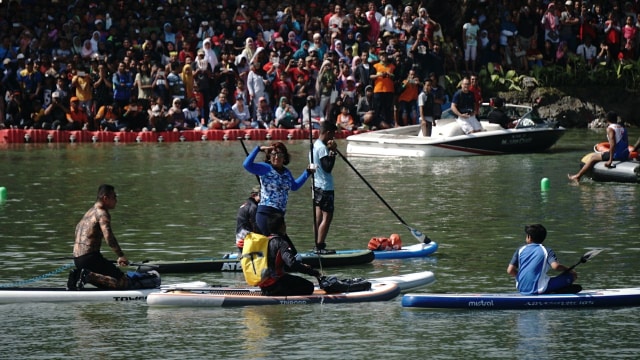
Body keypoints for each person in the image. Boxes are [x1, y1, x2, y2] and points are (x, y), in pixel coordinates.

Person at [243, 141, 313, 236]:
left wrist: (307, 172)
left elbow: (294, 186)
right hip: (266, 212)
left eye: (280, 154)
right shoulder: (265, 168)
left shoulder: (286, 172)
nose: (276, 157)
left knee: (279, 243)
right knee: (269, 242)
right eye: (273, 154)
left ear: (284, 157)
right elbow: (247, 165)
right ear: (269, 156)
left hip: (279, 214)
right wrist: (258, 149)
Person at [71, 184, 130, 290]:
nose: (116, 200)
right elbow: (109, 237)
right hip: (91, 258)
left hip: (78, 259)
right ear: (105, 198)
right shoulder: (102, 213)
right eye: (114, 197)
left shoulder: (89, 212)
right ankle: (88, 276)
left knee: (109, 282)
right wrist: (121, 256)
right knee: (124, 282)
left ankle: (78, 275)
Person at [259, 212, 321, 296]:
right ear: (282, 226)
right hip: (276, 285)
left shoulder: (264, 241)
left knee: (288, 278)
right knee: (309, 287)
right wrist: (312, 272)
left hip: (263, 285)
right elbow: (292, 264)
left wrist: (302, 266)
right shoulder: (281, 243)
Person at [507, 224, 579, 295]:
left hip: (521, 288)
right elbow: (556, 266)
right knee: (571, 275)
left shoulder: (520, 250)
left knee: (546, 279)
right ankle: (556, 291)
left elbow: (510, 270)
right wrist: (570, 269)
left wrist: (523, 279)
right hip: (539, 289)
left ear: (529, 237)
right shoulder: (547, 250)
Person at [568, 111, 629, 182]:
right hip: (625, 154)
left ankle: (577, 176)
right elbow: (625, 143)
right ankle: (578, 176)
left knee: (593, 157)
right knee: (604, 153)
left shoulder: (610, 129)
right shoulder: (623, 128)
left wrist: (610, 160)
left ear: (607, 119)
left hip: (617, 155)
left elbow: (613, 144)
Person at [312, 121, 338, 254]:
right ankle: (320, 246)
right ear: (328, 133)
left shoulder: (314, 145)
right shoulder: (322, 148)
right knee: (327, 217)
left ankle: (316, 244)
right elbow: (327, 168)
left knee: (318, 217)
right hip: (325, 186)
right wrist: (333, 152)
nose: (333, 137)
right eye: (333, 134)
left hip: (316, 186)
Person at [235, 185, 261, 252]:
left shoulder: (245, 204)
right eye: (261, 195)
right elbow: (255, 225)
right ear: (253, 195)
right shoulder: (253, 207)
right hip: (246, 240)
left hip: (239, 237)